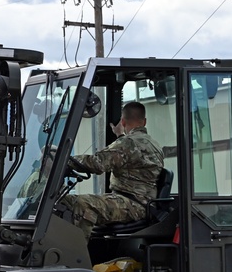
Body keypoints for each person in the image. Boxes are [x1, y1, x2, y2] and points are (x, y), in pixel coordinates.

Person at [58, 101, 164, 237]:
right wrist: (120, 136)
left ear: (123, 122)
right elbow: (131, 156)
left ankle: (75, 255)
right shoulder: (154, 145)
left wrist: (66, 160)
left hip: (132, 205)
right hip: (142, 204)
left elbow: (97, 164)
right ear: (144, 122)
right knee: (73, 201)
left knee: (80, 204)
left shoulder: (128, 143)